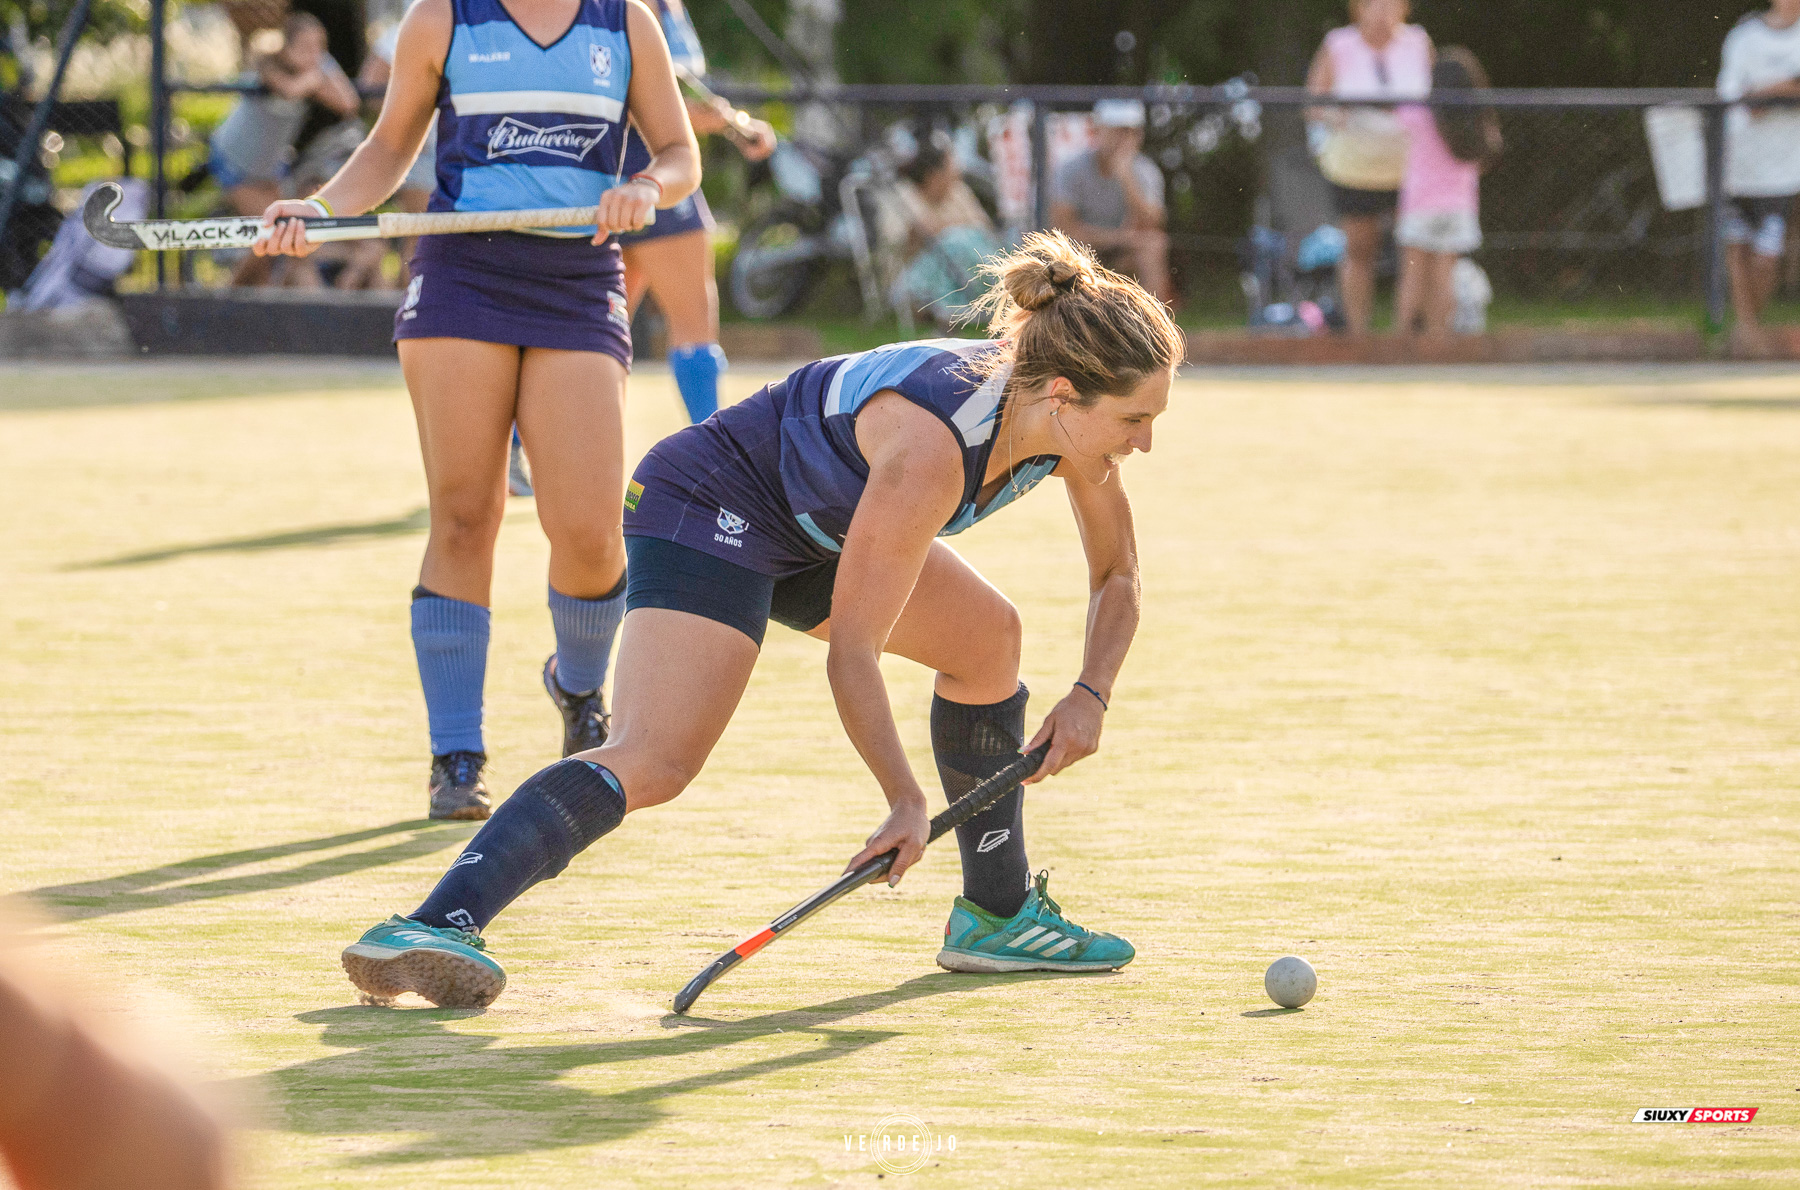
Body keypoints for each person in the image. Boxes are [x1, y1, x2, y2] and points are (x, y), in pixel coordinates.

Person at [337, 231, 1182, 1008]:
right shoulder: (932, 448)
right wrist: (902, 798)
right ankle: (435, 920)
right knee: (658, 758)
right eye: (1134, 421)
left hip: (825, 522)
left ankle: (996, 918)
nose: (1142, 444)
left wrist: (1091, 694)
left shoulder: (1068, 432)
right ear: (1067, 395)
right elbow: (853, 652)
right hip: (711, 501)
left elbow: (1118, 573)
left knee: (987, 640)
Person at [253, 0, 701, 819]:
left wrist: (645, 184)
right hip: (463, 274)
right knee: (465, 514)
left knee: (591, 530)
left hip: (577, 278)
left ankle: (577, 687)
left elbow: (680, 153)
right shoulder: (442, 18)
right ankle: (456, 756)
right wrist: (319, 212)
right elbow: (390, 146)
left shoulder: (625, 22)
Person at [616, 0, 776, 424]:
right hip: (640, 166)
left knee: (602, 330)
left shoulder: (671, 6)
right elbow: (615, 96)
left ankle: (520, 451)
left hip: (660, 167)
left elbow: (682, 90)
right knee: (689, 324)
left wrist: (733, 122)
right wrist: (702, 120)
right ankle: (715, 453)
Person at [1306, 0, 1434, 335]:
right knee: (1360, 250)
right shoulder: (1338, 44)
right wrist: (1337, 114)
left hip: (1411, 169)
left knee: (1415, 251)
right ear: (1357, 8)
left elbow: (1437, 102)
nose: (1382, 10)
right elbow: (1313, 104)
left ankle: (1404, 337)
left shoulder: (1418, 42)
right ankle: (1358, 336)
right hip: (1354, 167)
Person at [209, 12, 360, 287]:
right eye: (304, 47)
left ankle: (261, 310)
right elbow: (289, 90)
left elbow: (348, 103)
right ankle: (225, 303)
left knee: (277, 245)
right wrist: (316, 78)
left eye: (319, 47)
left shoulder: (316, 68)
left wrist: (322, 65)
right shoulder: (267, 63)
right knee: (268, 237)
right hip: (236, 161)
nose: (313, 54)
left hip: (270, 167)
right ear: (286, 47)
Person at [1393, 48, 1500, 337]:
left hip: (1419, 206)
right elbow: (1487, 154)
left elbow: (1396, 117)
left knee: (1413, 276)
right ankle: (1438, 340)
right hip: (1458, 207)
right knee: (1444, 275)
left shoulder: (1417, 112)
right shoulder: (1476, 121)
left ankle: (1402, 342)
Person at [1718, 0, 1800, 330]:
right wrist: (1778, 89)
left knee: (1768, 254)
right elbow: (1732, 96)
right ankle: (1746, 331)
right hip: (1741, 166)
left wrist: (1769, 92)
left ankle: (1752, 327)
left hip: (1784, 171)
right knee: (1737, 246)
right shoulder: (1744, 37)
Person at [1049, 99, 1172, 304]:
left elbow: (1154, 224)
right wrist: (1120, 237)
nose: (1125, 139)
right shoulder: (1070, 169)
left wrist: (1126, 178)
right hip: (1080, 252)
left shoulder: (1145, 171)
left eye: (1131, 132)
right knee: (1061, 254)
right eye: (1117, 131)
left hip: (1123, 251)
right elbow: (1063, 230)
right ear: (1098, 131)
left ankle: (1154, 324)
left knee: (1153, 245)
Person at [891, 130, 1004, 327]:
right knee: (955, 242)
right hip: (912, 274)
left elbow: (984, 230)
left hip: (968, 268)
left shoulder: (958, 192)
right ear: (933, 175)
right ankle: (955, 310)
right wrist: (956, 229)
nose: (957, 173)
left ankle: (993, 299)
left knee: (971, 243)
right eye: (951, 168)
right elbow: (921, 235)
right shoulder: (905, 195)